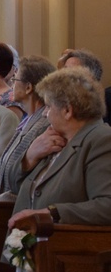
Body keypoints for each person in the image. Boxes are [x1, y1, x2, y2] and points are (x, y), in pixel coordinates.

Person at [8, 67, 111, 228]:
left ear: (67, 110)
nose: (44, 114)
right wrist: (29, 157)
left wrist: (52, 213)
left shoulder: (101, 140)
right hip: (30, 246)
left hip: (63, 247)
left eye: (48, 106)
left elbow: (106, 206)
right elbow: (13, 186)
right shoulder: (52, 138)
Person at [0, 55, 56, 198]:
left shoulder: (44, 125)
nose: (11, 85)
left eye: (15, 80)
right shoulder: (29, 119)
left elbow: (34, 180)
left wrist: (2, 199)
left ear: (28, 87)